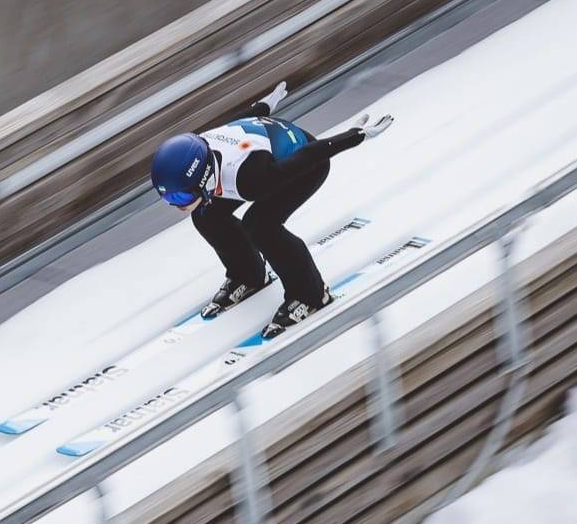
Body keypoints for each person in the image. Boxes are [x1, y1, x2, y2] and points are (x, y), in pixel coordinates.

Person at [150, 81, 394, 338]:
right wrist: (265, 105)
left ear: (205, 179)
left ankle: (311, 294)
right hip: (262, 149)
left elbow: (307, 157)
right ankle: (249, 275)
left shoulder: (249, 178)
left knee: (260, 225)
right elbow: (238, 122)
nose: (177, 205)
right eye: (170, 198)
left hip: (303, 164)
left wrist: (355, 136)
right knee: (206, 215)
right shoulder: (203, 145)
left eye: (181, 195)